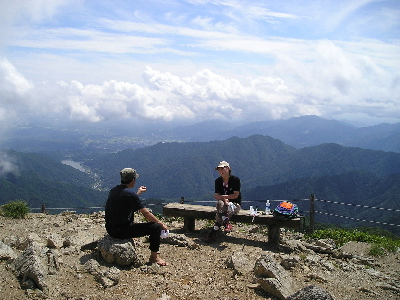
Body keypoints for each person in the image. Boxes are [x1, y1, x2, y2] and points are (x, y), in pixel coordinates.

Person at [105, 168, 168, 266]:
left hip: (110, 229)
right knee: (155, 227)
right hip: (121, 231)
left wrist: (138, 193)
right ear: (133, 180)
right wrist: (161, 224)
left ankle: (131, 234)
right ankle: (154, 258)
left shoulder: (114, 190)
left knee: (127, 212)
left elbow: (128, 200)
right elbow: (146, 214)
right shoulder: (130, 195)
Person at [205, 161, 241, 243]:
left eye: (222, 169)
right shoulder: (218, 181)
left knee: (221, 210)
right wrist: (225, 199)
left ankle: (214, 232)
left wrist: (224, 197)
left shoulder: (235, 180)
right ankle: (226, 223)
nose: (220, 171)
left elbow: (235, 196)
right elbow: (217, 196)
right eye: (219, 169)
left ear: (228, 169)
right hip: (222, 204)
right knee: (220, 204)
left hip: (235, 204)